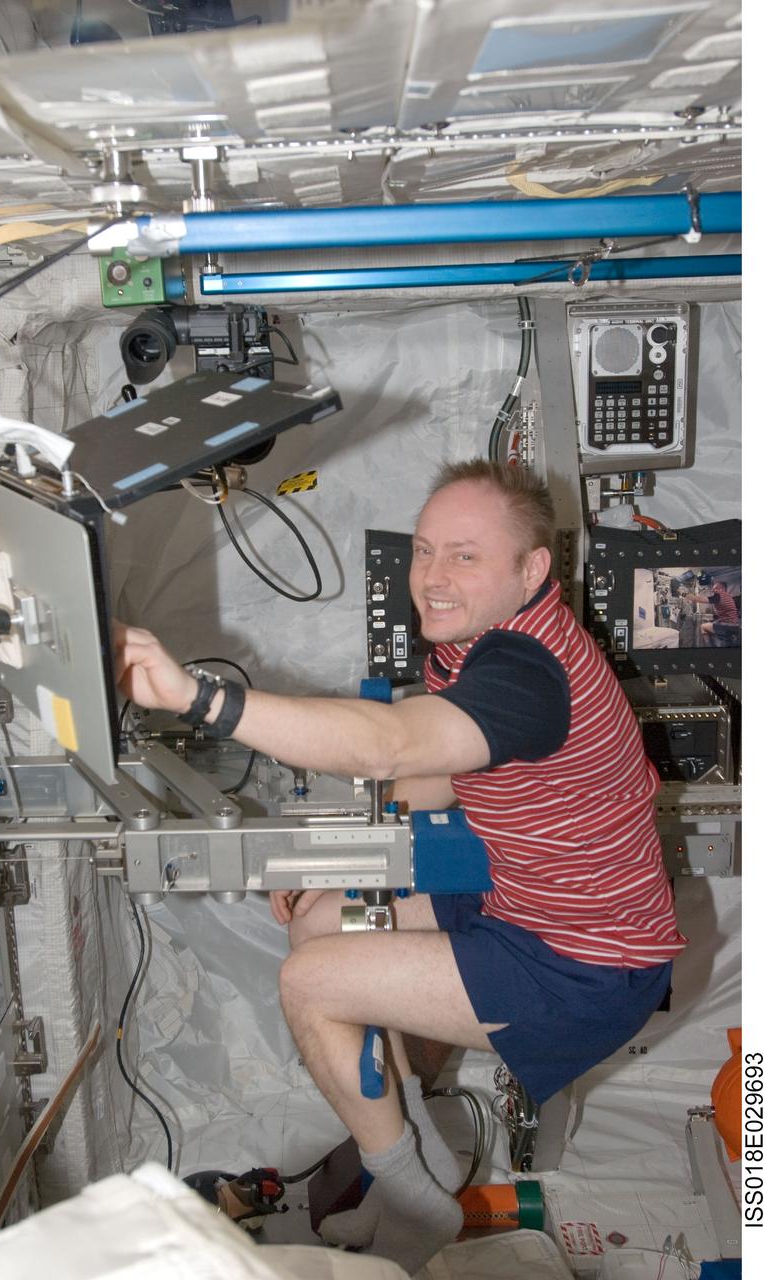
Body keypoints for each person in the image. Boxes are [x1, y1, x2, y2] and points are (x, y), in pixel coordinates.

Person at [115, 459, 687, 1276]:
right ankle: (414, 1159)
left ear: (532, 569)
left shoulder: (529, 673)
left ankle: (418, 1206)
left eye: (464, 555)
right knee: (319, 921)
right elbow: (441, 773)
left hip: (582, 966)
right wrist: (322, 848)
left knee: (311, 984)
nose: (433, 578)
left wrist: (201, 699)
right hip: (521, 908)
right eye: (424, 551)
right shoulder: (501, 640)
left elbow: (394, 745)